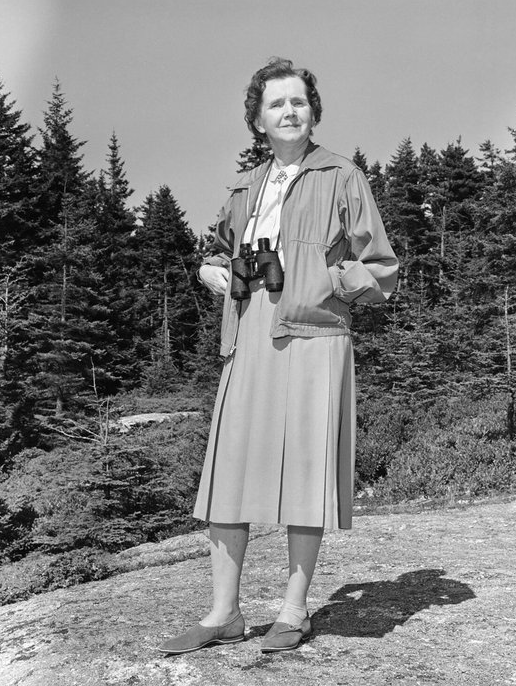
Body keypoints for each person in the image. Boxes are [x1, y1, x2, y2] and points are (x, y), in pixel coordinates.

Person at [158, 57, 398, 655]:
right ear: (257, 120)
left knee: (307, 473)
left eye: (298, 101)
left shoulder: (343, 176)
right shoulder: (245, 187)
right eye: (276, 104)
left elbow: (380, 271)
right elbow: (215, 250)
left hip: (317, 335)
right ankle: (224, 614)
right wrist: (214, 270)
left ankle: (294, 610)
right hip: (250, 331)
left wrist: (318, 275)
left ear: (312, 110)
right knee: (229, 472)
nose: (289, 111)